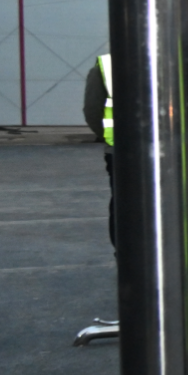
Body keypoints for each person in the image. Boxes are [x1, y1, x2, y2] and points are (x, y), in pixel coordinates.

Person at [82, 54, 115, 247]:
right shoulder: (167, 61)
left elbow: (92, 109)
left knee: (123, 204)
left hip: (119, 151)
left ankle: (124, 255)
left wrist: (108, 137)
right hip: (161, 150)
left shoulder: (105, 68)